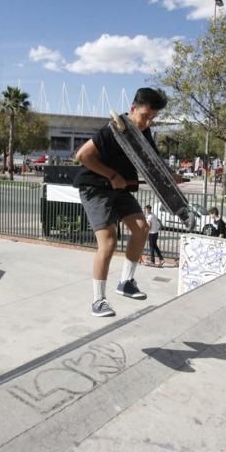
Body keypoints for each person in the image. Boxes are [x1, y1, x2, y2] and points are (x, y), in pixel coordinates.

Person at [74, 87, 168, 317]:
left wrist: (171, 178)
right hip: (95, 187)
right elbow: (82, 156)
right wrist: (112, 175)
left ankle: (126, 282)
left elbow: (153, 161)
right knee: (108, 242)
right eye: (145, 116)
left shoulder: (143, 132)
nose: (147, 122)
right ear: (132, 109)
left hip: (121, 188)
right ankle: (98, 300)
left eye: (152, 118)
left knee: (141, 228)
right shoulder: (113, 129)